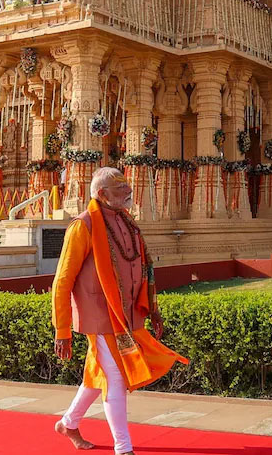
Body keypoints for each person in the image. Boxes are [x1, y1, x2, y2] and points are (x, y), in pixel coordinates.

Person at [52, 167, 187, 455]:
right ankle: (123, 448)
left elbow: (141, 270)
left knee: (98, 374)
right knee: (115, 378)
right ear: (101, 194)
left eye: (127, 187)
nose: (128, 192)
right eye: (119, 189)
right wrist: (62, 330)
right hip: (101, 317)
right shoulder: (83, 226)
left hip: (127, 317)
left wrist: (152, 310)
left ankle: (68, 423)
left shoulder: (127, 223)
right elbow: (62, 281)